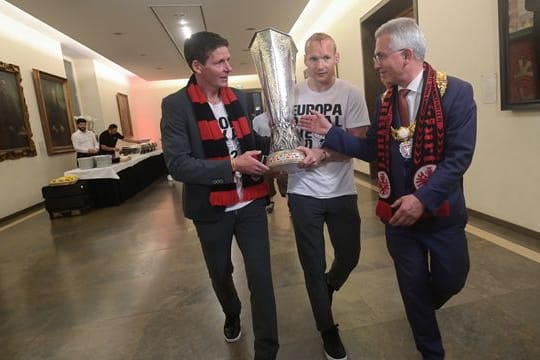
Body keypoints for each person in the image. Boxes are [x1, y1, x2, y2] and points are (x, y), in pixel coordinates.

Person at [298, 18, 477, 360]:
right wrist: (329, 132)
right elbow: (373, 151)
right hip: (398, 218)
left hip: (441, 215)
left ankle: (422, 308)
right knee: (412, 291)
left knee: (452, 279)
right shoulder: (384, 101)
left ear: (406, 55)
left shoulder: (455, 92)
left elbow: (459, 158)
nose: (375, 62)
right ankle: (431, 352)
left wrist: (422, 200)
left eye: (381, 55)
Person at [160, 31, 279, 360]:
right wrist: (232, 166)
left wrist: (277, 140)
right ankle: (231, 312)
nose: (229, 67)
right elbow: (178, 164)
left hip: (252, 201)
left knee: (261, 276)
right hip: (210, 209)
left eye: (229, 59)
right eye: (220, 61)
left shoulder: (239, 97)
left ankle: (267, 350)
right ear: (198, 66)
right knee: (220, 273)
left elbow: (253, 143)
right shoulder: (176, 105)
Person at [289, 32, 370, 360]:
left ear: (336, 58)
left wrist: (322, 153)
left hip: (341, 191)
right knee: (312, 265)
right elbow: (283, 140)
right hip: (302, 191)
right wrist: (292, 154)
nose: (319, 65)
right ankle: (328, 330)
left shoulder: (351, 94)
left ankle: (327, 288)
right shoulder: (291, 95)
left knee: (349, 256)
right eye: (313, 58)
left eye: (326, 57)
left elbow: (357, 145)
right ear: (304, 61)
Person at [252, 112, 287, 213]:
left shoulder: (283, 116)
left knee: (284, 180)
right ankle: (270, 201)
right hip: (266, 156)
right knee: (267, 181)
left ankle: (290, 204)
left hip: (281, 155)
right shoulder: (258, 120)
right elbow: (255, 138)